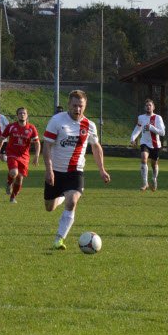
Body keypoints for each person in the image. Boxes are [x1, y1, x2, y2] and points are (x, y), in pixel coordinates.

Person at [42, 90, 111, 250]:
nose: (78, 109)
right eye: (74, 105)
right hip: (56, 170)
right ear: (69, 105)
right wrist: (49, 170)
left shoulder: (89, 125)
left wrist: (102, 170)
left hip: (75, 171)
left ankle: (59, 239)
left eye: (81, 106)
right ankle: (61, 197)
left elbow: (96, 147)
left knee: (72, 201)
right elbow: (47, 146)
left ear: (85, 106)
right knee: (49, 207)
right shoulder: (57, 120)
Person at [0, 107, 40, 203]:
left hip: (24, 156)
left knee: (19, 178)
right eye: (20, 113)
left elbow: (37, 143)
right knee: (14, 173)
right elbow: (2, 138)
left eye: (24, 113)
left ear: (27, 115)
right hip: (12, 153)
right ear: (17, 115)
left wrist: (36, 155)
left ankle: (13, 197)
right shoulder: (11, 126)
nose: (22, 115)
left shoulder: (31, 128)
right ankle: (9, 183)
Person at [129, 98, 166, 191]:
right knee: (143, 158)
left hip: (155, 144)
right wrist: (132, 138)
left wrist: (151, 127)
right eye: (146, 105)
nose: (148, 107)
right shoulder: (141, 118)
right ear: (144, 107)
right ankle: (145, 183)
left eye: (150, 105)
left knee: (154, 165)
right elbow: (138, 129)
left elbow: (162, 132)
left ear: (153, 107)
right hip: (144, 142)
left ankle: (154, 179)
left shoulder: (158, 118)